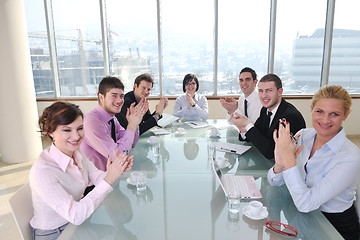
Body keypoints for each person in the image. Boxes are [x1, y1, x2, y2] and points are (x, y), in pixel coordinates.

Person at [30, 101, 134, 240]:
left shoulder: (76, 152)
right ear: (51, 132)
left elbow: (97, 177)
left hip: (76, 224)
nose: (76, 136)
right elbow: (75, 215)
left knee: (123, 234)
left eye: (79, 128)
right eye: (67, 130)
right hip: (56, 233)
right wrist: (109, 178)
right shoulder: (43, 171)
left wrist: (116, 171)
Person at [268, 85, 360, 240]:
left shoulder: (351, 156)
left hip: (334, 228)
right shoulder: (303, 135)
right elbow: (274, 181)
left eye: (335, 114)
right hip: (302, 218)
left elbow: (306, 204)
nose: (325, 120)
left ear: (346, 115)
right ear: (311, 109)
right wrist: (280, 164)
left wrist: (289, 160)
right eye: (319, 111)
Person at [230, 73, 305, 159]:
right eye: (261, 91)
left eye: (269, 90)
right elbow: (257, 135)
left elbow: (271, 152)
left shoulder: (290, 117)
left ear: (280, 92)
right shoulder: (265, 109)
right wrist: (242, 128)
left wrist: (247, 124)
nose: (264, 95)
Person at [81, 76, 147, 171]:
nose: (119, 101)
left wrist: (135, 122)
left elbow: (131, 143)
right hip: (94, 183)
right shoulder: (92, 121)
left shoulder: (112, 119)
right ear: (101, 97)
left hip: (109, 175)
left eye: (121, 96)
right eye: (114, 95)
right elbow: (118, 155)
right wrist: (131, 125)